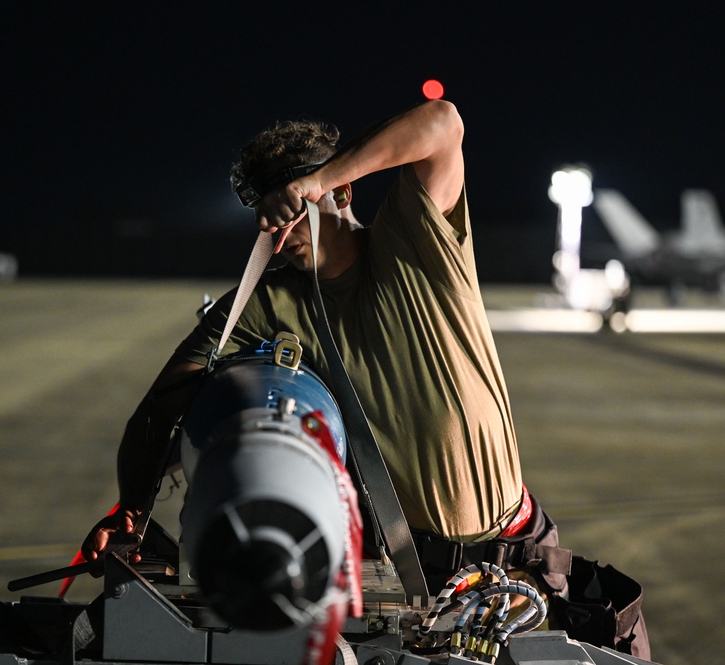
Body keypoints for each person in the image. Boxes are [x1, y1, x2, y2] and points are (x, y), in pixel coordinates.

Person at [80, 100, 649, 658]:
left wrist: (317, 179)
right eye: (261, 205)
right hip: (407, 583)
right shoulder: (264, 303)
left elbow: (443, 122)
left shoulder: (414, 241)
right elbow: (161, 408)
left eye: (288, 198)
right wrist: (130, 510)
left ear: (344, 190)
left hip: (513, 565)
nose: (273, 220)